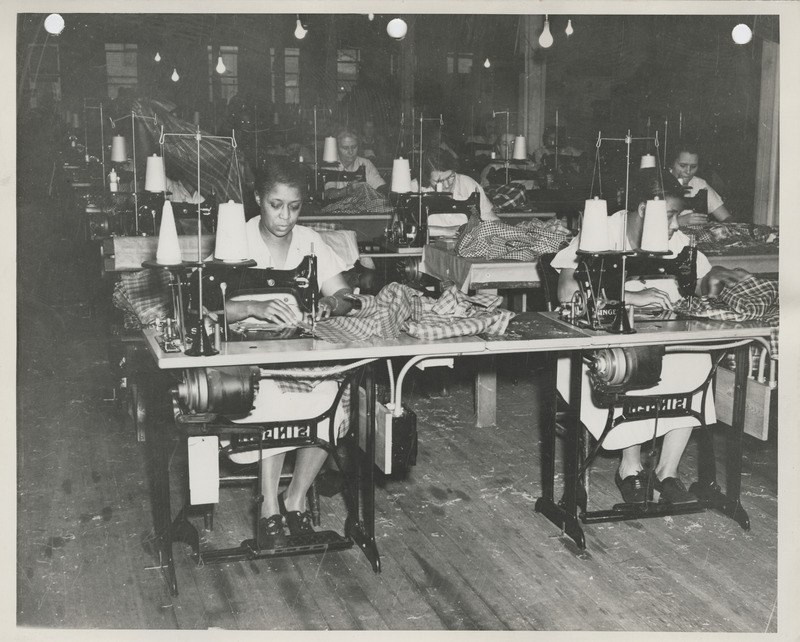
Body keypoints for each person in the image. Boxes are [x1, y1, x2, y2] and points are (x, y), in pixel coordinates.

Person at [552, 169, 748, 504]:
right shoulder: (602, 230)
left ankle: (666, 472)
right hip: (609, 340)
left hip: (665, 333)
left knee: (696, 359)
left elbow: (697, 278)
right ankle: (630, 467)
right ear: (643, 209)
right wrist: (629, 298)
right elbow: (567, 289)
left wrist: (718, 278)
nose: (675, 225)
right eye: (670, 216)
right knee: (633, 361)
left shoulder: (674, 240)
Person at [220, 158, 357, 545]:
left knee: (332, 399)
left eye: (294, 207)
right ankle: (268, 506)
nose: (285, 217)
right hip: (247, 347)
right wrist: (252, 307)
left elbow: (343, 293)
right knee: (273, 398)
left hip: (298, 343)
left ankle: (294, 498)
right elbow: (208, 305)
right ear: (258, 199)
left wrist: (332, 305)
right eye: (275, 205)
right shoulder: (235, 238)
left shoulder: (310, 241)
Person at [413, 149, 499, 221]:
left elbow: (491, 218)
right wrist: (449, 231)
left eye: (451, 177)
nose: (446, 185)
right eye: (439, 181)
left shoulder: (468, 184)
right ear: (426, 178)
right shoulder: (413, 189)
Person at [669, 142, 732, 224]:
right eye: (683, 165)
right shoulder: (658, 183)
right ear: (672, 163)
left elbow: (726, 218)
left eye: (693, 167)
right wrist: (680, 221)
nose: (688, 172)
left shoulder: (700, 184)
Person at [323, 130, 388, 200]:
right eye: (345, 148)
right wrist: (348, 190)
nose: (350, 152)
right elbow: (330, 194)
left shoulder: (365, 163)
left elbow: (381, 187)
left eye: (354, 147)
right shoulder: (331, 166)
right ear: (337, 149)